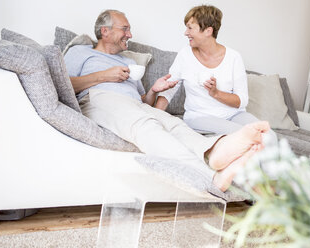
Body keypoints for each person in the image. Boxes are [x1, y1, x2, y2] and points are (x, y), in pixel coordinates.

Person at [64, 9, 270, 192]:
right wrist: (104, 76)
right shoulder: (80, 53)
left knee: (175, 125)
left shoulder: (128, 61)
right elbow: (63, 85)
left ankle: (214, 153)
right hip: (100, 98)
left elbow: (143, 100)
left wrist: (154, 89)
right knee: (147, 125)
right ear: (104, 31)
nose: (130, 35)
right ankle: (211, 178)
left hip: (134, 104)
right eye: (125, 29)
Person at [155, 5, 277, 144]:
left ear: (208, 31)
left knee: (269, 136)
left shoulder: (233, 57)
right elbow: (169, 89)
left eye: (190, 28)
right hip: (199, 117)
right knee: (247, 136)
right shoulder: (185, 55)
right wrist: (155, 118)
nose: (185, 33)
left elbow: (242, 101)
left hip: (234, 114)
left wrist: (216, 93)